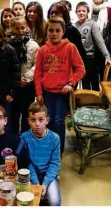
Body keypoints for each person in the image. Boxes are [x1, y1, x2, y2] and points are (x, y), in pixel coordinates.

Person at [34, 17, 85, 153]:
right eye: (51, 30)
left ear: (63, 32)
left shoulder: (70, 47)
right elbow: (38, 73)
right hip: (47, 93)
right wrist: (38, 92)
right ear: (47, 32)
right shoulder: (42, 50)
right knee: (47, 121)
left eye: (57, 30)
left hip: (62, 93)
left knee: (58, 121)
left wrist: (71, 83)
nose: (54, 33)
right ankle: (48, 148)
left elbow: (80, 69)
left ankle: (58, 150)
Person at [20, 102, 61, 206]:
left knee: (55, 202)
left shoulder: (55, 138)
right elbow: (26, 162)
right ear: (28, 121)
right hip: (30, 175)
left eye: (41, 119)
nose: (37, 124)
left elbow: (55, 163)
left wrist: (45, 184)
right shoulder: (24, 138)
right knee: (25, 200)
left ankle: (47, 190)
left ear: (47, 120)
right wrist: (36, 183)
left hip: (48, 175)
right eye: (33, 120)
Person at [8, 16, 39, 134]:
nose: (20, 31)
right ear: (12, 29)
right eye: (17, 28)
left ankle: (26, 138)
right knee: (13, 115)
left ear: (26, 27)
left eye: (23, 28)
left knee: (27, 114)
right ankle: (14, 138)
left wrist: (26, 78)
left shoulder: (33, 45)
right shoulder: (8, 45)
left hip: (27, 85)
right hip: (14, 87)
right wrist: (16, 80)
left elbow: (37, 64)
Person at [75, 1, 111, 90]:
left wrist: (107, 56)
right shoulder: (75, 26)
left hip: (90, 58)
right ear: (76, 12)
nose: (81, 13)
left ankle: (97, 102)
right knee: (85, 83)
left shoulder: (92, 24)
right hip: (78, 59)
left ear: (87, 12)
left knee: (94, 83)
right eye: (79, 11)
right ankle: (86, 102)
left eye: (83, 11)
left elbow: (100, 41)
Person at [89, 0, 111, 79]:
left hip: (105, 49)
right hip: (90, 49)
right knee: (91, 76)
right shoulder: (88, 11)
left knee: (104, 76)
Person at [48, 2, 87, 70]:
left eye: (57, 13)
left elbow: (80, 57)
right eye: (52, 12)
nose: (53, 15)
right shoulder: (48, 29)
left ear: (64, 15)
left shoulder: (72, 31)